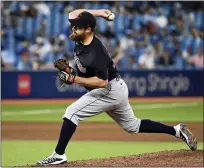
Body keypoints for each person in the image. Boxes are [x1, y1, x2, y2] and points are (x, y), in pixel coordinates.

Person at [36, 9, 197, 165]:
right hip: (117, 88)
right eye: (74, 25)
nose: (73, 28)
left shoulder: (96, 53)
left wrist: (74, 78)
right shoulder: (81, 37)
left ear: (88, 29)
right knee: (132, 126)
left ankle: (58, 155)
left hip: (108, 90)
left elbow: (102, 82)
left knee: (72, 113)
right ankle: (177, 130)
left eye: (77, 27)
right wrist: (99, 12)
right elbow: (72, 13)